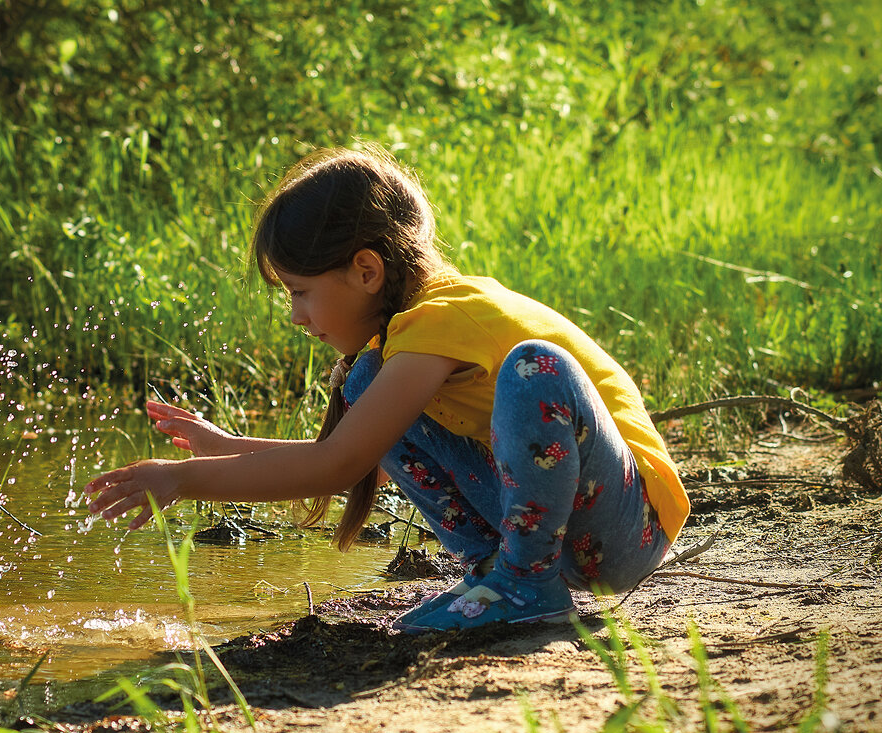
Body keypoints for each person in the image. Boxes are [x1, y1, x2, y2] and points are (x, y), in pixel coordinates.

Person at [87, 145, 689, 632]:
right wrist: (224, 446)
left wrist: (182, 480)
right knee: (367, 383)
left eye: (299, 291)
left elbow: (334, 464)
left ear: (367, 271)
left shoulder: (444, 318)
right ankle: (496, 572)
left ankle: (525, 584)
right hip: (571, 532)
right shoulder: (401, 344)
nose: (296, 315)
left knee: (536, 366)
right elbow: (354, 455)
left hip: (628, 525)